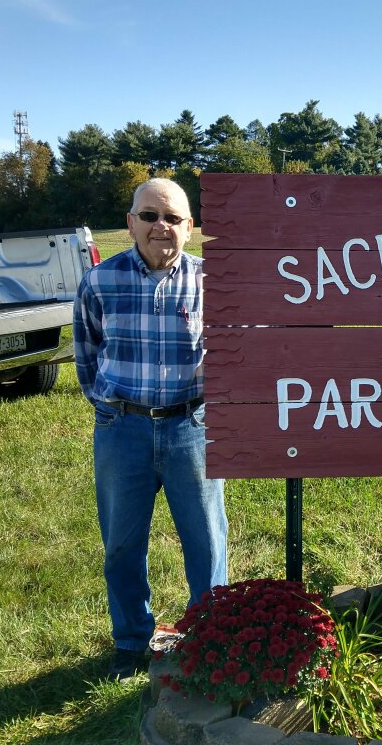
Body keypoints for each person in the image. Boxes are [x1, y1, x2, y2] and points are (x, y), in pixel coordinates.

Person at [74, 178, 228, 680]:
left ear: (191, 226)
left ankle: (208, 637)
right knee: (121, 542)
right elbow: (87, 354)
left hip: (192, 426)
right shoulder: (100, 281)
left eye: (173, 217)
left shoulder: (213, 282)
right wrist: (110, 409)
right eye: (149, 216)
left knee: (206, 540)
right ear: (130, 223)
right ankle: (131, 639)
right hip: (123, 428)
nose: (160, 226)